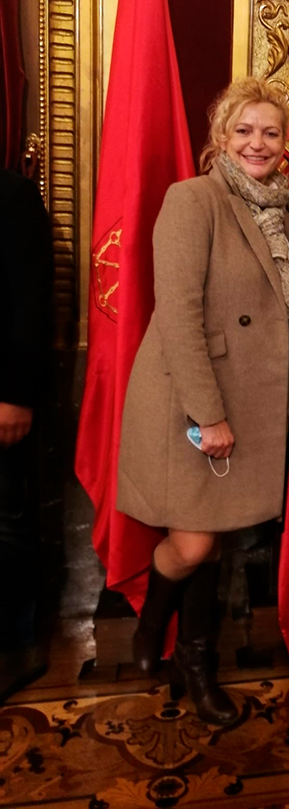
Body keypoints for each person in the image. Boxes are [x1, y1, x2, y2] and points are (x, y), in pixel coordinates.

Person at [117, 77, 289, 725]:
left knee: (217, 541)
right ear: (221, 137)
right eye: (244, 129)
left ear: (286, 142)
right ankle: (153, 627)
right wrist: (208, 413)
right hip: (190, 398)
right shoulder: (193, 199)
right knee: (194, 543)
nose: (259, 142)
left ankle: (196, 663)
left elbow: (287, 307)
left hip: (251, 400)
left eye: (271, 131)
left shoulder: (284, 212)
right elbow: (179, 313)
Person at [0, 168, 54, 702]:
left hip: (1, 396)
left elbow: (31, 306)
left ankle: (16, 646)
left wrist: (16, 395)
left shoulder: (11, 194)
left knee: (6, 523)